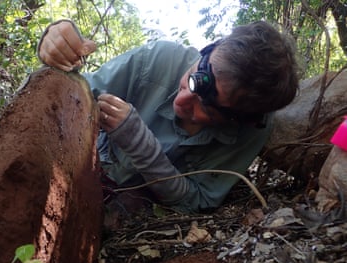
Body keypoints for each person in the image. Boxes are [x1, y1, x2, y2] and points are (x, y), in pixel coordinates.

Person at [37, 19, 299, 214]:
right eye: (193, 80)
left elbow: (199, 202)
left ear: (236, 120)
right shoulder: (159, 60)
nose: (183, 101)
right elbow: (65, 99)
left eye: (206, 110)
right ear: (208, 51)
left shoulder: (252, 131)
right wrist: (54, 49)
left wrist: (143, 149)